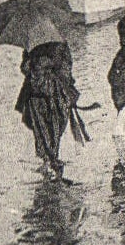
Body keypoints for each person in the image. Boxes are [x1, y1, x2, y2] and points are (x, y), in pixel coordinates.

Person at [15, 38, 89, 177]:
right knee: (44, 127)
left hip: (53, 92)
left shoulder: (53, 44)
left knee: (52, 126)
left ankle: (50, 158)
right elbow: (24, 68)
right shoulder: (36, 46)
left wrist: (45, 66)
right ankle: (49, 159)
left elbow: (66, 66)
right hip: (40, 93)